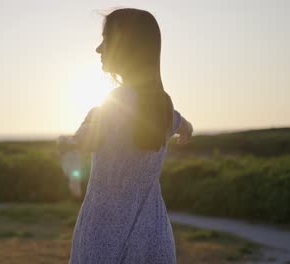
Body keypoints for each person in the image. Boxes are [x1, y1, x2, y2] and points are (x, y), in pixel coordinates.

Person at [58, 8, 193, 264]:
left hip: (103, 239)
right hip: (155, 239)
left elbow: (82, 142)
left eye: (105, 40)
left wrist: (66, 146)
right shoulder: (163, 107)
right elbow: (185, 125)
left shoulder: (108, 108)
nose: (99, 49)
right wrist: (185, 131)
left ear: (126, 47)